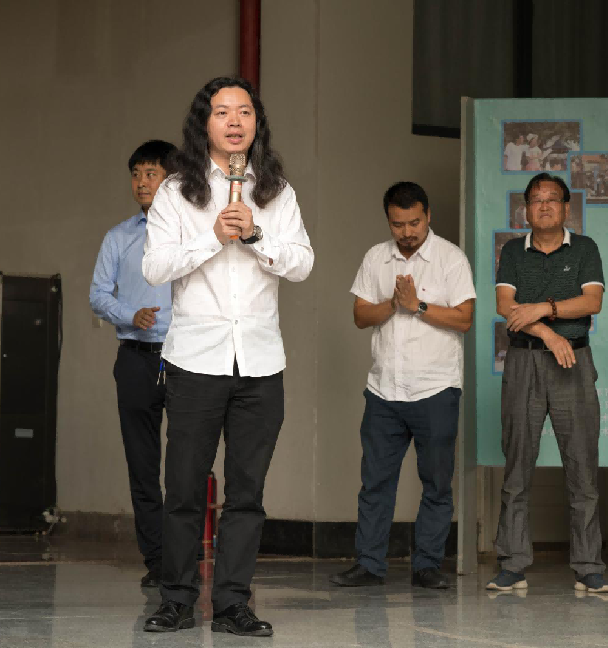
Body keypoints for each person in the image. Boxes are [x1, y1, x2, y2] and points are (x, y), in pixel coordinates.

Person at [141, 77, 314, 635]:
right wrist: (212, 237)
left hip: (260, 362)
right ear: (204, 123)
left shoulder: (276, 191)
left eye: (244, 112)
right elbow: (154, 267)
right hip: (195, 359)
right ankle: (176, 599)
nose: (235, 121)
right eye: (222, 112)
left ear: (257, 123)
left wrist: (258, 235)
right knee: (184, 490)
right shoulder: (176, 191)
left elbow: (303, 263)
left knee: (247, 494)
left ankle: (234, 603)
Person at [329, 181, 475, 590]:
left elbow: (464, 319)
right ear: (388, 221)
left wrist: (418, 306)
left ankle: (427, 565)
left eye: (414, 223)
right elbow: (360, 316)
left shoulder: (450, 258)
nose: (407, 232)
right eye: (398, 224)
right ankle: (369, 564)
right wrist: (393, 304)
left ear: (428, 216)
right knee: (375, 482)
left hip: (436, 390)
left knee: (436, 483)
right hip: (384, 391)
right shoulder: (376, 258)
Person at [487, 173, 608, 594]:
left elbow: (592, 301)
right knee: (517, 465)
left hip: (573, 362)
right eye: (536, 200)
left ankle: (589, 567)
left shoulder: (585, 248)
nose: (544, 206)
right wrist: (548, 333)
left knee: (582, 466)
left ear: (566, 208)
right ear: (526, 210)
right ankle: (512, 564)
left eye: (552, 199)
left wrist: (542, 308)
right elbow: (506, 305)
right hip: (524, 360)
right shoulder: (513, 252)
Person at [90, 140, 186, 588]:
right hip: (135, 358)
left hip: (184, 359)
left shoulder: (192, 234)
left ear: (172, 180)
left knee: (186, 462)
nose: (142, 182)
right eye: (136, 174)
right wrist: (131, 315)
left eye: (151, 173)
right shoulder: (119, 237)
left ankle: (185, 556)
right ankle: (157, 560)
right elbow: (98, 295)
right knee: (142, 465)